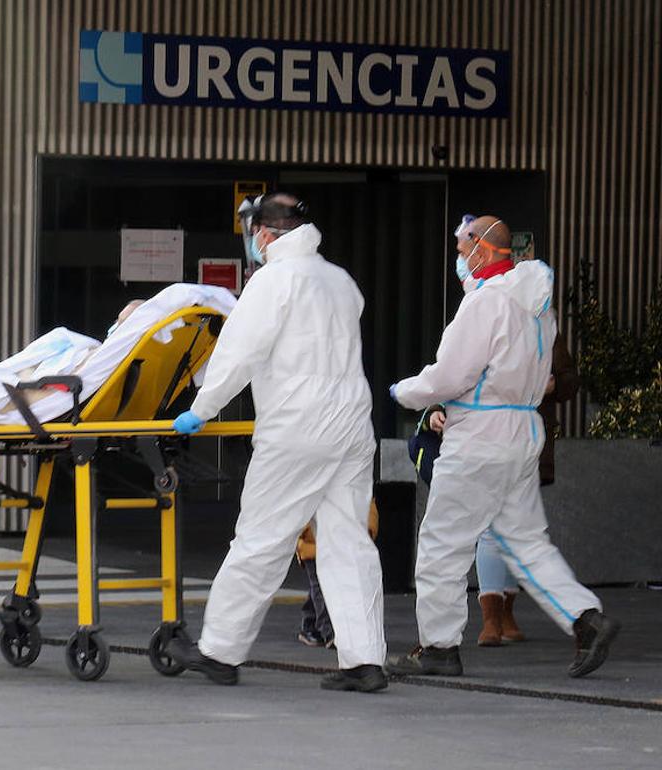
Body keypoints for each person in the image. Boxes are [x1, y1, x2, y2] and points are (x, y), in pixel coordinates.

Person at [169, 193, 387, 693]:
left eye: (253, 232)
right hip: (352, 425)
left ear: (265, 233)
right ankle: (365, 659)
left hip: (296, 426)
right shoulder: (340, 281)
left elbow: (237, 355)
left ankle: (220, 650)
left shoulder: (272, 281)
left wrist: (200, 409)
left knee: (262, 539)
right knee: (349, 542)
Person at [387, 214, 618, 679]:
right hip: (522, 434)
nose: (458, 257)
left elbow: (451, 375)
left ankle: (438, 646)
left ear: (482, 248)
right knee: (527, 542)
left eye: (461, 247)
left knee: (442, 544)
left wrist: (405, 391)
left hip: (478, 438)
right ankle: (585, 618)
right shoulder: (538, 307)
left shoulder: (484, 305)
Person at [420, 331, 579, 647]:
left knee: (512, 530)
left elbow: (569, 381)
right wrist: (434, 411)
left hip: (520, 444)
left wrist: (552, 385)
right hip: (486, 443)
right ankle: (493, 617)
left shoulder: (542, 330)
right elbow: (456, 374)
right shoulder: (492, 323)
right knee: (498, 530)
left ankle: (502, 614)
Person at [296, 500, 379, 649]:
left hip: (337, 544)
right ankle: (329, 632)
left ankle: (311, 623)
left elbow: (366, 503)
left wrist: (367, 530)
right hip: (315, 546)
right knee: (322, 586)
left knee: (324, 587)